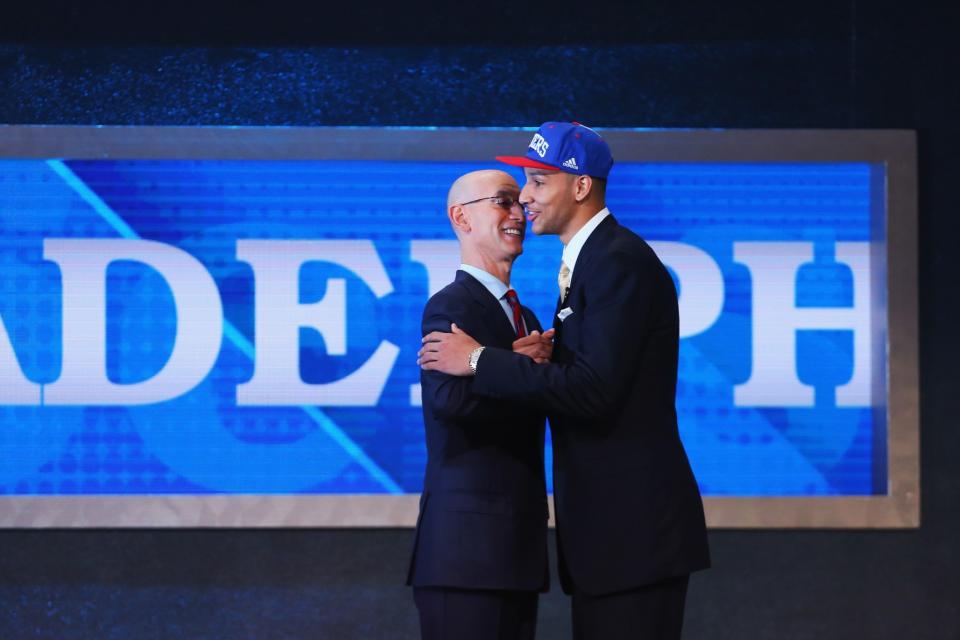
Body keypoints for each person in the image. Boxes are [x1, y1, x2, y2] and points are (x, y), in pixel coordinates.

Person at [418, 123, 710, 639]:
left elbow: (595, 389)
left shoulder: (617, 261)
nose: (525, 199)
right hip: (610, 538)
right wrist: (520, 364)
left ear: (580, 186)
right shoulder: (588, 264)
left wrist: (484, 360)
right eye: (516, 190)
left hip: (633, 532)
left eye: (536, 182)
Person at [407, 169, 556, 640]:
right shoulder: (451, 306)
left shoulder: (525, 316)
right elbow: (450, 400)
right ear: (461, 218)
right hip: (466, 553)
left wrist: (499, 366)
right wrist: (511, 364)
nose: (519, 212)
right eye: (503, 201)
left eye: (520, 202)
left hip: (515, 546)